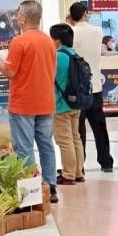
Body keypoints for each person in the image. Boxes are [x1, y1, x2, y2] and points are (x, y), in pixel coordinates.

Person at [0, 1, 58, 203]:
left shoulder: (19, 42)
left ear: (23, 18)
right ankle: (51, 187)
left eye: (17, 16)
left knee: (24, 149)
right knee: (46, 146)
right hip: (46, 102)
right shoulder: (49, 42)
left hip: (23, 103)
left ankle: (32, 192)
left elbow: (9, 72)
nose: (16, 19)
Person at [68, 2, 114, 173]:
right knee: (100, 126)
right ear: (86, 14)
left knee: (79, 129)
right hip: (95, 87)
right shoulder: (97, 31)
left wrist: (69, 24)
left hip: (78, 89)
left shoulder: (71, 31)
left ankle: (80, 164)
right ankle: (106, 162)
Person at [50, 23, 85, 185]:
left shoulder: (58, 57)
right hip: (75, 104)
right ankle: (78, 172)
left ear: (57, 40)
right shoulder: (74, 54)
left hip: (61, 104)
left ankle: (68, 175)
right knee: (75, 137)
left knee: (64, 140)